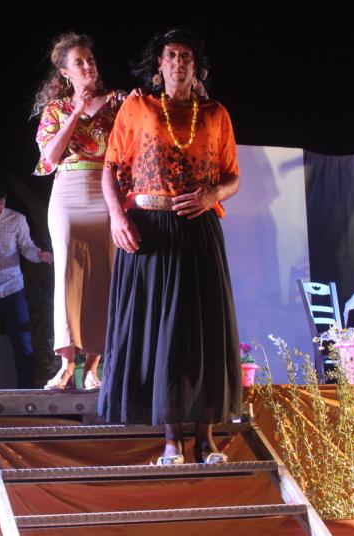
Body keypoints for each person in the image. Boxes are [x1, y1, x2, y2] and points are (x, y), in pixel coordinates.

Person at [98, 28, 242, 465]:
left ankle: (206, 438)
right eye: (171, 55)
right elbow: (110, 169)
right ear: (159, 64)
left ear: (196, 67)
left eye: (186, 56)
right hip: (149, 233)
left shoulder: (215, 113)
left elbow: (232, 177)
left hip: (198, 229)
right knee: (161, 334)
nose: (179, 62)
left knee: (201, 332)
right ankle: (170, 440)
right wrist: (117, 217)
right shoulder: (137, 106)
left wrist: (213, 195)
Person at [32, 32, 125, 390]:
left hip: (106, 193)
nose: (88, 66)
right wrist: (75, 111)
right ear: (65, 72)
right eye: (79, 63)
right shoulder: (56, 110)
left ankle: (93, 368)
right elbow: (51, 157)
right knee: (68, 277)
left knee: (104, 276)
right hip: (68, 195)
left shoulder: (117, 102)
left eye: (91, 60)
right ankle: (67, 365)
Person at [0, 182, 53, 388]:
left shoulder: (17, 219)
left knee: (22, 340)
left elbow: (27, 246)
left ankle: (26, 390)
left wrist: (40, 255)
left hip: (10, 285)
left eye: (1, 203)